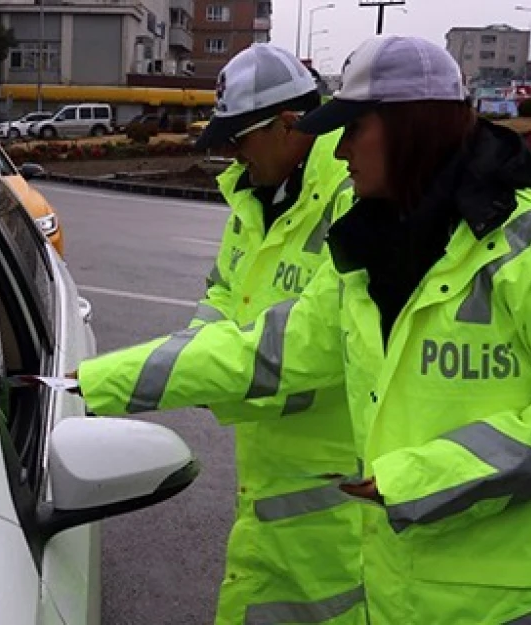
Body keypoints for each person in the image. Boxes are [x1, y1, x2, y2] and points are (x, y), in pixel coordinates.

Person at [73, 35, 531, 624]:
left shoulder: (516, 245)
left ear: (406, 129)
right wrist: (88, 383)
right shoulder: (370, 254)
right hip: (396, 587)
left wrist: (419, 478)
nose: (338, 153)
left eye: (352, 130)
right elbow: (265, 350)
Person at [185, 43, 363, 625]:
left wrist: (135, 380)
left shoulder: (356, 198)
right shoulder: (255, 196)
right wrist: (194, 357)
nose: (233, 155)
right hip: (267, 484)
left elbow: (317, 346)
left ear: (290, 125)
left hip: (340, 499)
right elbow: (221, 295)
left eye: (241, 138)